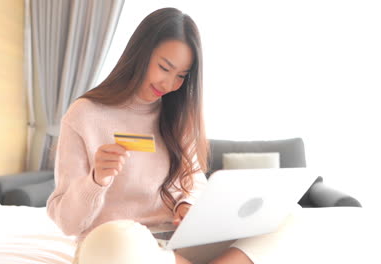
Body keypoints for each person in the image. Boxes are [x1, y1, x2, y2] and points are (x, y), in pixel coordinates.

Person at [47, 7, 302, 264]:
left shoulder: (178, 116)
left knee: (288, 214)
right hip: (120, 245)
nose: (169, 85)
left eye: (181, 75)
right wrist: (96, 180)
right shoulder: (84, 114)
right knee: (116, 240)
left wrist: (185, 206)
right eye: (164, 67)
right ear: (139, 53)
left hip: (175, 242)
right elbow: (68, 223)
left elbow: (192, 182)